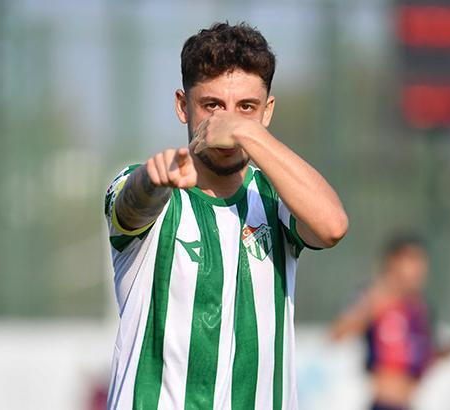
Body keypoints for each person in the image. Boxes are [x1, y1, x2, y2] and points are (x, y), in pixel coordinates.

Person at [104, 22, 349, 409]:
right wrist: (151, 180)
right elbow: (132, 206)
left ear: (267, 111)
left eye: (246, 108)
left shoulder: (274, 197)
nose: (227, 124)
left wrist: (248, 133)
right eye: (212, 106)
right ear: (183, 106)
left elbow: (332, 226)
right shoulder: (152, 188)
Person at [328, 234, 450, 410]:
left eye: (421, 262)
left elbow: (434, 354)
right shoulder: (374, 296)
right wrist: (372, 306)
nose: (420, 269)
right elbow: (337, 333)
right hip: (382, 404)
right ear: (393, 262)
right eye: (412, 260)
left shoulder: (421, 308)